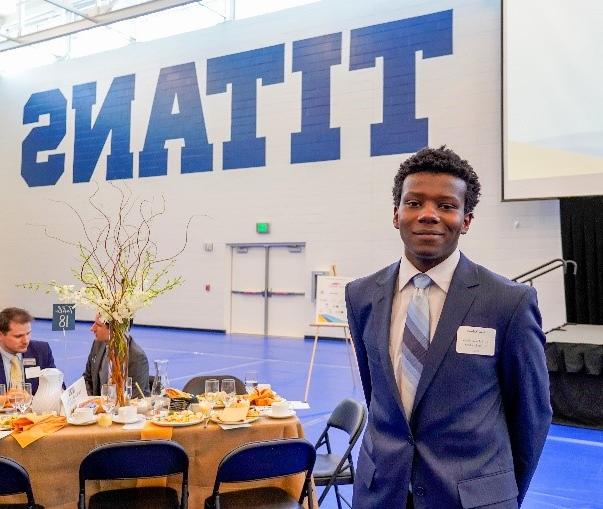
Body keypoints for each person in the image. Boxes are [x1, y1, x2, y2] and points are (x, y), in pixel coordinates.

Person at [345, 146, 552, 509]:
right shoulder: (362, 294)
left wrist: (496, 493)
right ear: (396, 215)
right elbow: (377, 392)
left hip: (471, 500)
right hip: (381, 493)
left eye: (446, 205)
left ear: (466, 220)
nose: (428, 215)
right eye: (414, 203)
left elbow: (531, 414)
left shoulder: (509, 302)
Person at [83, 315, 150, 397]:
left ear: (114, 330)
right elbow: (87, 379)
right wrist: (90, 402)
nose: (92, 328)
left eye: (98, 325)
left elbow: (134, 399)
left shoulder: (137, 357)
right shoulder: (98, 344)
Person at [0, 307, 57, 395]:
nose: (26, 341)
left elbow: (57, 387)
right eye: (18, 336)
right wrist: (4, 400)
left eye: (28, 333)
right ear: (1, 335)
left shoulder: (41, 351)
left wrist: (32, 400)